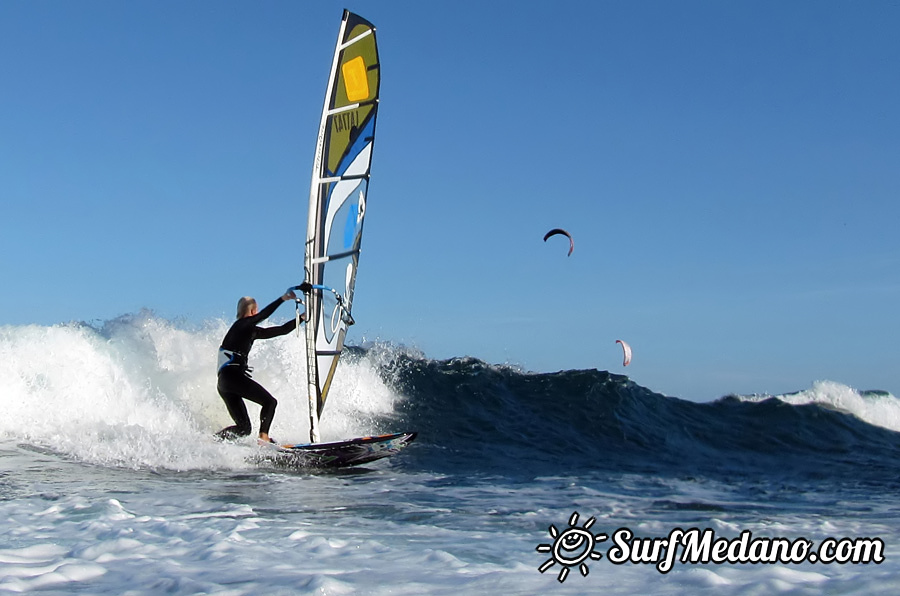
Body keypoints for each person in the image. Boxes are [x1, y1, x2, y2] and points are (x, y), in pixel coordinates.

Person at [215, 284, 310, 444]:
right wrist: (283, 299)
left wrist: (301, 318)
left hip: (225, 383)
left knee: (244, 428)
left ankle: (214, 441)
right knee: (270, 402)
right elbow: (264, 315)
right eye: (256, 311)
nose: (257, 314)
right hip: (231, 378)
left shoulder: (247, 330)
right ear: (252, 311)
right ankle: (263, 437)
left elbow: (281, 330)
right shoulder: (242, 325)